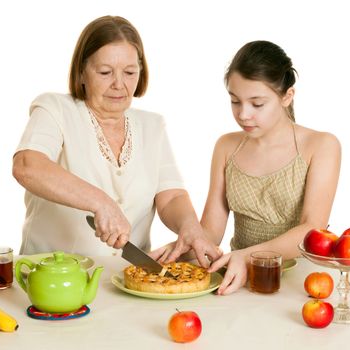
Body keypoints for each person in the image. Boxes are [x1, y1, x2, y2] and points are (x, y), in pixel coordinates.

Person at [12, 15, 221, 265]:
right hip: (50, 277)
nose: (119, 84)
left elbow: (172, 196)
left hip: (129, 276)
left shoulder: (152, 126)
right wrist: (101, 202)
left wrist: (190, 226)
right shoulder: (54, 109)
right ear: (81, 72)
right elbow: (27, 165)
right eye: (105, 72)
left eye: (130, 72)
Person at [153, 40, 341, 294]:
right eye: (235, 101)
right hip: (243, 280)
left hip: (304, 283)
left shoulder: (321, 146)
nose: (243, 114)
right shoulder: (226, 147)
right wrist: (184, 247)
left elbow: (312, 229)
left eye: (257, 103)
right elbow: (212, 232)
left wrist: (246, 255)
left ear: (287, 96)